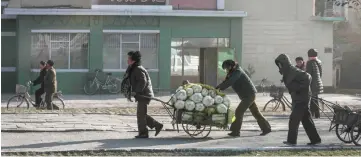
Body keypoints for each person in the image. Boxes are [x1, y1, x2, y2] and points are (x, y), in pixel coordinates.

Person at [216, 60, 271, 137]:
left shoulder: (237, 72)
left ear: (231, 66)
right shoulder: (232, 72)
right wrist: (218, 87)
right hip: (247, 95)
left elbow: (230, 81)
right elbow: (226, 81)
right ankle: (266, 128)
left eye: (226, 68)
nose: (226, 70)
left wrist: (221, 88)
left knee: (239, 111)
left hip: (249, 95)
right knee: (255, 113)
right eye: (225, 69)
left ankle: (236, 131)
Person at [275, 53, 321, 146]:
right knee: (306, 120)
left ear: (284, 63)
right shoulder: (288, 72)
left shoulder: (293, 70)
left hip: (302, 99)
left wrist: (299, 88)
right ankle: (315, 139)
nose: (279, 66)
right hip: (298, 98)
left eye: (280, 64)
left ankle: (291, 141)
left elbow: (308, 77)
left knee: (294, 119)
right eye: (278, 64)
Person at [125, 51, 163, 138]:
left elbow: (143, 81)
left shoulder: (138, 69)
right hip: (142, 94)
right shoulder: (134, 68)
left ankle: (144, 133)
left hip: (144, 94)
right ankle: (157, 125)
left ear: (133, 60)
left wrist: (137, 92)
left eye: (129, 58)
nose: (127, 60)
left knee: (140, 114)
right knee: (142, 114)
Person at [306, 49, 323, 119]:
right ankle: (316, 114)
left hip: (312, 84)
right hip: (318, 83)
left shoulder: (310, 62)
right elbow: (321, 73)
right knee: (314, 99)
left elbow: (308, 75)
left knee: (312, 99)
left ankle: (312, 114)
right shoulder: (318, 61)